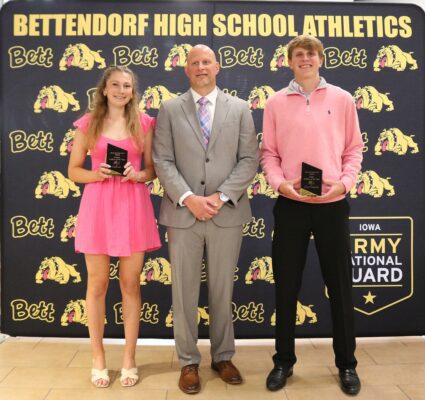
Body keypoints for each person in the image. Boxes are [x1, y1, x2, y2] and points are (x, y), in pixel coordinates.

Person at [153, 44, 259, 394]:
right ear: (185, 69)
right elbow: (162, 160)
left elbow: (248, 159)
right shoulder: (169, 109)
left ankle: (223, 356)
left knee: (222, 290)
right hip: (183, 214)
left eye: (207, 62)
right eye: (194, 62)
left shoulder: (241, 108)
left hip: (225, 212)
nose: (201, 67)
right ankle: (187, 361)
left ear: (218, 66)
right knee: (183, 292)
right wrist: (188, 198)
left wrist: (219, 196)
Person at [261, 35, 363, 395]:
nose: (305, 59)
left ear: (320, 59)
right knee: (286, 286)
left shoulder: (342, 99)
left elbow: (354, 150)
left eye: (311, 54)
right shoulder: (275, 102)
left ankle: (347, 365)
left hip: (333, 205)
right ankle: (283, 361)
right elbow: (269, 153)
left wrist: (345, 183)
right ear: (289, 61)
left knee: (339, 287)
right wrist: (278, 183)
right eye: (298, 55)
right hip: (290, 205)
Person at [68, 65, 161, 388]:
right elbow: (74, 171)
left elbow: (152, 170)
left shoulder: (145, 123)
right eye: (116, 85)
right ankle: (98, 359)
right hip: (98, 208)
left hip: (133, 207)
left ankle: (129, 359)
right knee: (96, 286)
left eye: (128, 86)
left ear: (133, 92)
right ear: (104, 89)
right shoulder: (87, 123)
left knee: (131, 284)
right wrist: (98, 174)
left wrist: (139, 175)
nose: (122, 90)